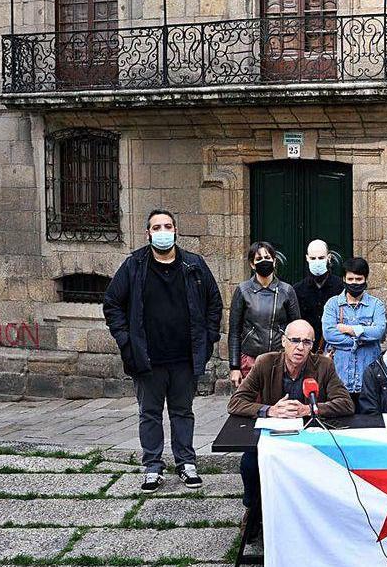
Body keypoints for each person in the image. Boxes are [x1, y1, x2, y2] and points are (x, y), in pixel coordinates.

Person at [103, 209, 223, 493]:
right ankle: (152, 467)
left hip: (185, 357)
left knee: (183, 412)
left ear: (176, 230)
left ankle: (186, 463)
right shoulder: (134, 265)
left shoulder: (194, 265)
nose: (163, 231)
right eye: (157, 227)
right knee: (150, 413)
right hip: (147, 357)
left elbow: (214, 304)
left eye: (167, 226)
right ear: (148, 233)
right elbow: (112, 303)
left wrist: (208, 340)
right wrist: (126, 341)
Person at [228, 319, 354, 542]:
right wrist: (270, 410)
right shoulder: (266, 362)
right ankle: (252, 510)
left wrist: (309, 408)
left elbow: (345, 403)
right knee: (249, 463)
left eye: (306, 342)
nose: (300, 347)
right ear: (284, 341)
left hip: (309, 437)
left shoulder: (323, 365)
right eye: (295, 340)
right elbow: (236, 402)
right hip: (274, 437)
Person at [227, 241, 301, 387]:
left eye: (267, 257)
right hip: (250, 359)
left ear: (274, 260)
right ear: (252, 264)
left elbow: (296, 328)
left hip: (280, 359)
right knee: (251, 405)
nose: (264, 262)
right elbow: (234, 331)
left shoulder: (287, 290)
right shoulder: (243, 290)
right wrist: (234, 367)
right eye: (258, 259)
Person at [321, 257, 386, 407]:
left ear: (365, 279)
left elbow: (379, 331)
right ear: (344, 279)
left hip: (367, 379)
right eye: (350, 279)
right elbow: (329, 334)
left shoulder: (376, 305)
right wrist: (362, 339)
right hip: (340, 378)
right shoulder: (333, 305)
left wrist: (349, 329)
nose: (354, 283)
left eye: (359, 279)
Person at [293, 239, 344, 353]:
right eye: (313, 258)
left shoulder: (340, 287)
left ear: (328, 257)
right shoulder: (298, 289)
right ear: (307, 258)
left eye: (321, 258)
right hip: (306, 349)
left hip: (335, 348)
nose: (317, 261)